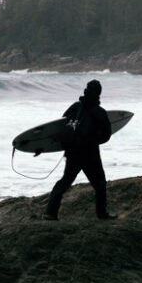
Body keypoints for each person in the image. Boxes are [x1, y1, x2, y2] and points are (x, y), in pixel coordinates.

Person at [44, 79, 116, 220]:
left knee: (65, 181)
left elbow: (62, 124)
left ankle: (50, 212)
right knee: (100, 183)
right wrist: (93, 140)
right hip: (90, 154)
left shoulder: (75, 107)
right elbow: (106, 136)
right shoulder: (99, 112)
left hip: (72, 152)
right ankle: (102, 214)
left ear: (86, 90)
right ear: (99, 93)